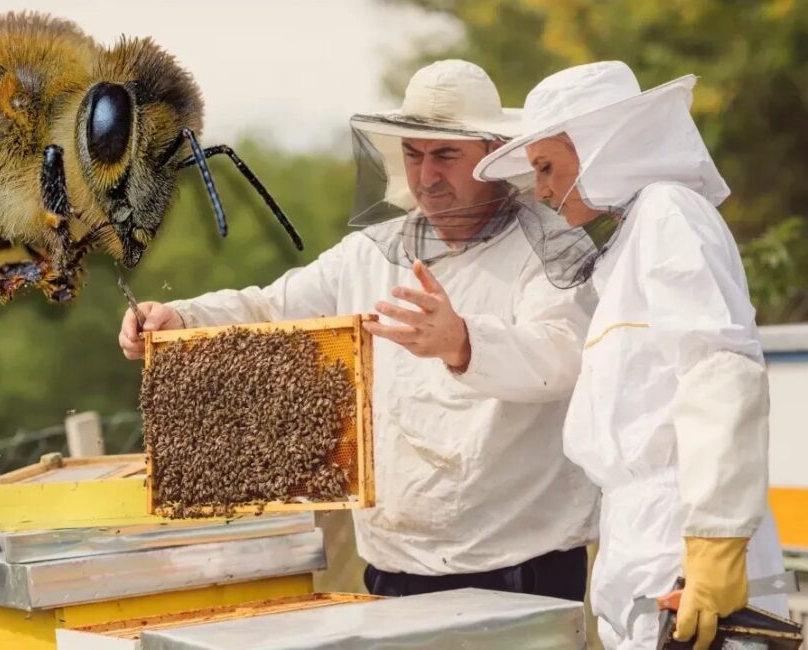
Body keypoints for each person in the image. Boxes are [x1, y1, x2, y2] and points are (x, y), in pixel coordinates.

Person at [118, 60, 600, 601]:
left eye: (446, 155)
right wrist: (182, 318)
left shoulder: (551, 248)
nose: (426, 176)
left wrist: (464, 342)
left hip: (518, 567)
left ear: (493, 154)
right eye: (413, 155)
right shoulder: (370, 254)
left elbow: (565, 358)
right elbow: (274, 308)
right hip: (393, 567)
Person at [473, 60, 789, 649]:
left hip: (682, 530)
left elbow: (720, 368)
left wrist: (715, 541)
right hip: (639, 533)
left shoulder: (671, 213)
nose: (541, 190)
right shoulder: (631, 241)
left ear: (600, 147)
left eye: (546, 166)